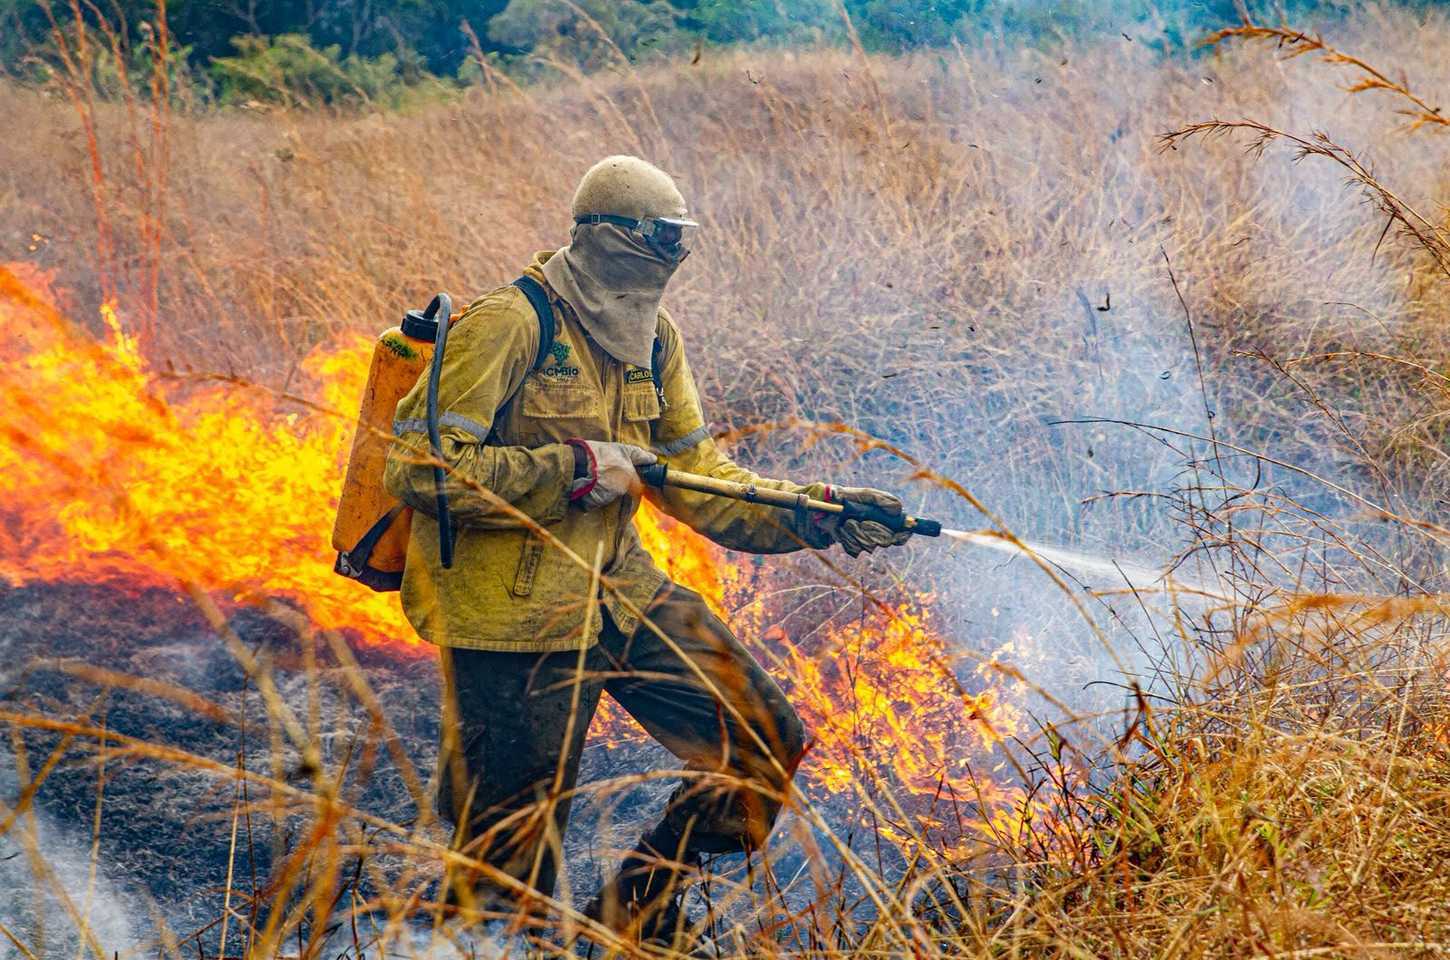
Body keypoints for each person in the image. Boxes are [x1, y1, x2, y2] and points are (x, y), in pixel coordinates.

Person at [383, 155, 911, 944]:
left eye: (679, 239)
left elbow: (698, 477)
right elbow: (421, 469)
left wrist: (816, 514)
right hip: (513, 622)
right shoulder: (509, 323)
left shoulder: (656, 339)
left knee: (761, 738)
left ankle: (636, 915)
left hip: (619, 593)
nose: (672, 255)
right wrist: (572, 469)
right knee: (507, 866)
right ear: (606, 237)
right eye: (658, 237)